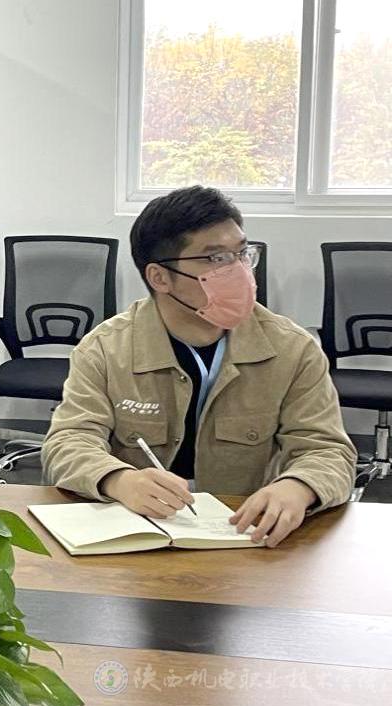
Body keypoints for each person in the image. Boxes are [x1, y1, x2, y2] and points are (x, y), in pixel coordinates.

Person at [43, 185, 355, 548]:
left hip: (243, 533)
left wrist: (297, 487)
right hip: (135, 532)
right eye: (216, 258)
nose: (239, 271)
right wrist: (118, 479)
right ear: (160, 277)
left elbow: (328, 450)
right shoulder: (105, 349)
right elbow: (68, 441)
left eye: (242, 253)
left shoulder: (292, 349)